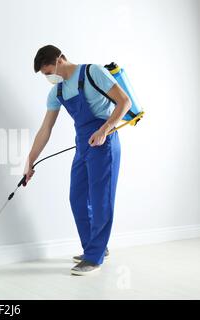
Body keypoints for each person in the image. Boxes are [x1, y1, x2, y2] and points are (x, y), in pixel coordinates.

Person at [24, 45, 131, 276]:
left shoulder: (93, 72)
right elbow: (45, 129)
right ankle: (95, 247)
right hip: (83, 145)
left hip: (104, 141)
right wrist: (30, 160)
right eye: (44, 74)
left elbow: (124, 102)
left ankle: (94, 257)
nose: (48, 77)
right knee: (77, 198)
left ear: (60, 58)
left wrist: (104, 129)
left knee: (101, 200)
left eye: (48, 71)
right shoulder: (58, 92)